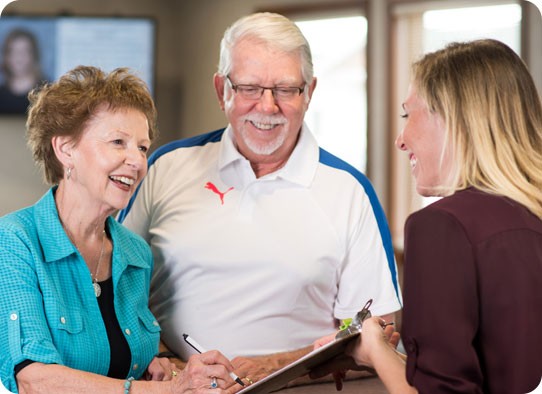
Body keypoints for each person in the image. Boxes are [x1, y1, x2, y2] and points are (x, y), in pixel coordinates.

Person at [118, 12, 402, 387]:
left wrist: (278, 365)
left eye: (286, 89)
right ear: (222, 90)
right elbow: (114, 286)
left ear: (310, 92)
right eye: (250, 88)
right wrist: (162, 357)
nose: (267, 107)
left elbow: (377, 331)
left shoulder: (350, 191)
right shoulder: (165, 167)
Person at [311, 39, 542, 394]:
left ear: (453, 117)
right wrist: (376, 355)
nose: (400, 140)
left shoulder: (442, 226)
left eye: (407, 114)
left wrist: (373, 346)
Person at [0, 66, 238, 394]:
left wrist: (161, 365)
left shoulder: (134, 252)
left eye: (142, 147)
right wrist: (169, 391)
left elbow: (132, 355)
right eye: (118, 142)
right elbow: (34, 379)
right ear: (65, 149)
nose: (137, 162)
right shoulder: (13, 241)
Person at [0, 28, 44, 113]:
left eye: (24, 51)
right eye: (13, 51)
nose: (19, 58)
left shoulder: (49, 94)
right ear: (6, 56)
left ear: (34, 55)